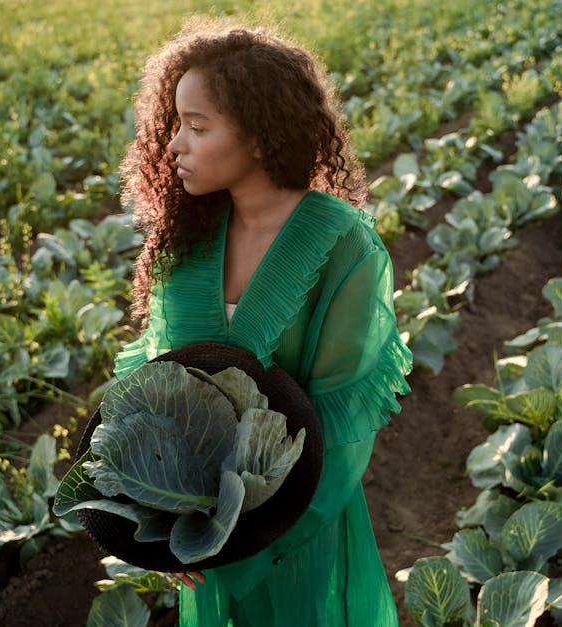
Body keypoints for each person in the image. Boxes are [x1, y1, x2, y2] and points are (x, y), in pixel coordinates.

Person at [112, 17, 412, 626]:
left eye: (197, 127)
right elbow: (158, 388)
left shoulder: (342, 246)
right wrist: (171, 526)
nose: (174, 145)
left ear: (259, 136)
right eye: (173, 124)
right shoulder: (188, 237)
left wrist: (241, 538)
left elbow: (339, 427)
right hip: (200, 534)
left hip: (299, 527)